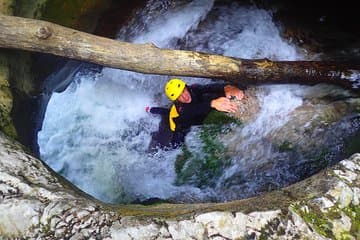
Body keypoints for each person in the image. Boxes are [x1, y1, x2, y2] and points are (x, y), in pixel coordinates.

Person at [146, 78, 244, 150]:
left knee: (166, 112)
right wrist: (213, 103)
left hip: (179, 113)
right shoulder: (182, 110)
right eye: (179, 96)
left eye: (183, 91)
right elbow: (195, 110)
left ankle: (150, 109)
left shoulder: (192, 89)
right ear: (176, 100)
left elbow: (208, 88)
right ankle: (151, 110)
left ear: (186, 87)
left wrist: (226, 87)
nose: (185, 96)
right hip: (178, 126)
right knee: (175, 146)